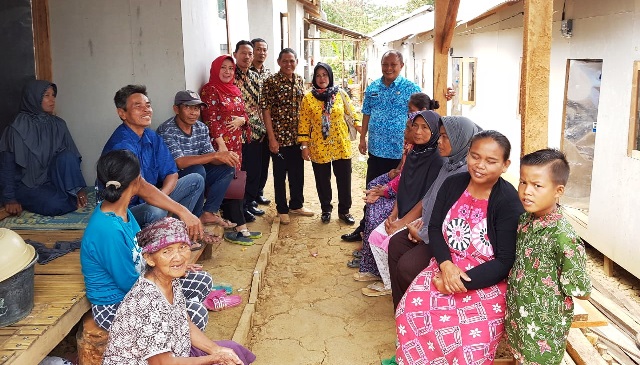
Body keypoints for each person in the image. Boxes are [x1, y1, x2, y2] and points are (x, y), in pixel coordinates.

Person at [395, 130, 524, 364]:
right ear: (467, 155)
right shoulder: (453, 184)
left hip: (485, 279)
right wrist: (445, 266)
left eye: (491, 161)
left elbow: (505, 261)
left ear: (505, 165)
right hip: (446, 264)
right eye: (475, 156)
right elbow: (434, 228)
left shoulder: (508, 201)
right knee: (409, 312)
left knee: (468, 341)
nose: (480, 165)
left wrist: (456, 283)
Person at [81, 150, 228, 333]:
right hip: (116, 305)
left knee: (202, 281)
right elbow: (129, 284)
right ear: (136, 182)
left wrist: (170, 264)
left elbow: (142, 251)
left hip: (140, 283)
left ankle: (174, 327)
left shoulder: (121, 212)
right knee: (195, 313)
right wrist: (167, 274)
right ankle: (169, 343)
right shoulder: (106, 230)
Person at [101, 217, 256, 365]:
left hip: (176, 354)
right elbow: (163, 363)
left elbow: (185, 322)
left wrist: (216, 350)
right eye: (167, 251)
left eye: (183, 247)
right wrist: (214, 358)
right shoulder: (147, 303)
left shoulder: (170, 281)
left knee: (231, 348)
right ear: (149, 258)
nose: (178, 257)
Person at [505, 149, 591, 365]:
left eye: (537, 185)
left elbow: (581, 290)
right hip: (519, 321)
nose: (527, 191)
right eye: (523, 182)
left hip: (543, 333)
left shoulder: (563, 237)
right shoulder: (525, 221)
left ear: (558, 190)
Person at [388, 116, 481, 308]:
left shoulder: (464, 173)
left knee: (407, 267)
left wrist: (422, 234)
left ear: (460, 140)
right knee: (396, 243)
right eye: (440, 136)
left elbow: (452, 219)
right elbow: (429, 197)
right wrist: (411, 225)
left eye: (446, 137)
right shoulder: (449, 165)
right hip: (428, 228)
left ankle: (420, 309)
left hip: (446, 239)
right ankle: (401, 308)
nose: (439, 141)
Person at [357, 109, 443, 296]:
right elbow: (403, 187)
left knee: (390, 242)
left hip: (420, 217)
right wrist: (393, 215)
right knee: (375, 237)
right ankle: (389, 283)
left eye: (425, 128)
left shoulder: (437, 160)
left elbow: (427, 199)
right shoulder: (414, 153)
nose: (418, 132)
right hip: (403, 212)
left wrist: (401, 223)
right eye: (415, 127)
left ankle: (397, 286)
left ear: (435, 130)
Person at [341, 50, 421, 242]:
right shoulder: (373, 87)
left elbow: (424, 111)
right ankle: (364, 230)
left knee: (395, 195)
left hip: (400, 153)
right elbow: (366, 113)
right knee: (373, 190)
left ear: (401, 66)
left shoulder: (412, 88)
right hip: (377, 150)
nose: (388, 68)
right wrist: (362, 139)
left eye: (393, 64)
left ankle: (390, 233)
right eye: (385, 64)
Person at [102, 84, 204, 230]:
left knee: (196, 180)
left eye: (148, 105)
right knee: (155, 210)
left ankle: (175, 233)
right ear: (122, 113)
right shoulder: (121, 145)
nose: (146, 110)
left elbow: (171, 173)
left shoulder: (150, 135)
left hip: (150, 200)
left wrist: (162, 197)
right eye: (138, 106)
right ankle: (158, 241)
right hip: (123, 211)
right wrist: (177, 209)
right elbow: (140, 187)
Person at [156, 90, 240, 238]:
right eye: (188, 107)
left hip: (197, 173)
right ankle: (194, 217)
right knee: (198, 170)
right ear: (176, 109)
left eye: (196, 108)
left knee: (227, 168)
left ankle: (208, 212)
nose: (193, 112)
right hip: (174, 180)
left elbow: (209, 155)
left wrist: (224, 157)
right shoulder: (166, 130)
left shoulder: (201, 128)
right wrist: (215, 155)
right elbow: (180, 162)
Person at [0, 80, 88, 216]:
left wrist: (78, 188)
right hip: (27, 185)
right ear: (33, 97)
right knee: (55, 205)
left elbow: (72, 159)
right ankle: (61, 198)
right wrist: (9, 198)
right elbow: (7, 165)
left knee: (68, 156)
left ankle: (68, 195)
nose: (52, 100)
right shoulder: (17, 127)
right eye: (46, 95)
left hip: (52, 181)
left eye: (53, 95)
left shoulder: (59, 124)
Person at [201, 55, 261, 245]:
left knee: (235, 179)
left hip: (236, 143)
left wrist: (243, 121)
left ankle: (237, 224)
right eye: (223, 68)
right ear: (216, 69)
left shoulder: (235, 89)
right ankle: (239, 227)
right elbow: (210, 119)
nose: (227, 72)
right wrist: (221, 146)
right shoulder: (210, 90)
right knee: (228, 178)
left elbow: (244, 113)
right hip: (221, 144)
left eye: (230, 68)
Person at [298, 62, 360, 224]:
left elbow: (352, 114)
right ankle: (326, 209)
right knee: (322, 179)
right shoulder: (308, 98)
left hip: (340, 143)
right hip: (318, 145)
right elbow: (303, 123)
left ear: (330, 76)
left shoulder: (340, 94)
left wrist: (362, 131)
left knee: (344, 178)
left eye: (325, 75)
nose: (321, 78)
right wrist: (304, 146)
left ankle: (344, 211)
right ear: (314, 78)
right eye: (318, 75)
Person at [261, 48, 314, 224]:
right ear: (278, 62)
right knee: (279, 175)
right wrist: (271, 138)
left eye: (292, 61)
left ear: (296, 62)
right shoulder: (271, 82)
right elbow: (266, 111)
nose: (288, 64)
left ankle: (297, 205)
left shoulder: (299, 80)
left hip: (297, 137)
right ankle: (282, 209)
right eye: (285, 61)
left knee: (297, 173)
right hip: (279, 138)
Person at [234, 40, 266, 220]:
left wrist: (262, 128)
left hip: (255, 132)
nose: (247, 56)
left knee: (254, 170)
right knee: (240, 172)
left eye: (249, 53)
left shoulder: (255, 78)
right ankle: (240, 207)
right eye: (243, 53)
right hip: (237, 134)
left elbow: (261, 106)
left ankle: (249, 202)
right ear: (235, 54)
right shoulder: (230, 76)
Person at [250, 37, 272, 207]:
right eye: (258, 49)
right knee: (253, 166)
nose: (262, 53)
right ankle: (249, 199)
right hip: (249, 128)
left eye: (264, 50)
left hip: (266, 127)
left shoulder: (268, 74)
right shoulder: (242, 73)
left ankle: (259, 193)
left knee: (264, 163)